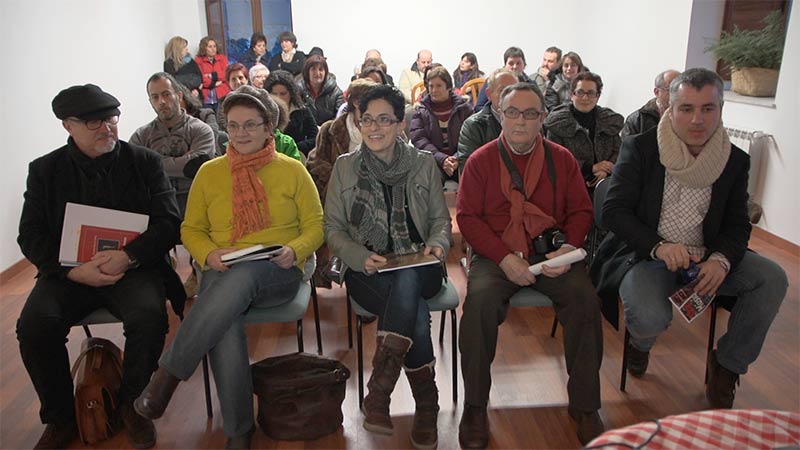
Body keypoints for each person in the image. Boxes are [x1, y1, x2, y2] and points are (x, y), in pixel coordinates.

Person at [134, 85, 324, 450]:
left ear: (270, 127)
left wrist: (294, 249)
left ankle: (167, 377)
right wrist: (208, 254)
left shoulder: (293, 170)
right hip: (222, 269)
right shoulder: (209, 172)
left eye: (250, 125)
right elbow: (190, 229)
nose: (241, 134)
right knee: (225, 318)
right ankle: (239, 430)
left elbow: (316, 225)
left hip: (278, 269)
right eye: (233, 126)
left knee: (242, 276)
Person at [590, 68, 787, 409]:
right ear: (670, 108)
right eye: (687, 109)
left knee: (772, 279)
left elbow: (738, 223)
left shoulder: (734, 160)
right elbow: (614, 212)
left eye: (708, 109)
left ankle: (727, 365)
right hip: (648, 254)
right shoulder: (641, 149)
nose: (698, 119)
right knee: (649, 318)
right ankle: (641, 343)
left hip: (706, 256)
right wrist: (659, 246)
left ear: (720, 111)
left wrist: (721, 259)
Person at [17, 84, 184, 449]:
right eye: (93, 122)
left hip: (132, 268)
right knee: (33, 326)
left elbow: (168, 222)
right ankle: (59, 417)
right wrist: (72, 271)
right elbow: (29, 235)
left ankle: (133, 406)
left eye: (111, 118)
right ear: (68, 126)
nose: (106, 127)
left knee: (149, 316)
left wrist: (128, 255)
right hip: (69, 273)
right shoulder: (45, 170)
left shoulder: (144, 162)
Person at [456, 82, 604, 448]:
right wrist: (504, 258)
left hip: (549, 254)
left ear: (543, 118)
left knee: (585, 301)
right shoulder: (480, 161)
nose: (520, 121)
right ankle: (475, 405)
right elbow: (469, 219)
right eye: (512, 112)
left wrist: (568, 248)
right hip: (497, 253)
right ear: (499, 115)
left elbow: (582, 210)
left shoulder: (562, 159)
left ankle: (585, 405)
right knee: (478, 305)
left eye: (530, 113)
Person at [324, 84, 451, 450]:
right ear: (357, 123)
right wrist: (356, 256)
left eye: (384, 119)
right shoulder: (345, 167)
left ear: (400, 124)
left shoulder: (424, 164)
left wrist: (437, 245)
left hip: (421, 263)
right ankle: (427, 405)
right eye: (366, 120)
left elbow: (441, 222)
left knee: (409, 278)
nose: (374, 127)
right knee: (412, 309)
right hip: (368, 268)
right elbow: (332, 228)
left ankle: (379, 392)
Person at [306, 78, 377, 288]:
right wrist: (345, 178)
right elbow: (317, 162)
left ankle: (359, 276)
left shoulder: (381, 126)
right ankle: (339, 262)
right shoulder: (330, 129)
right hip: (337, 190)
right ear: (356, 102)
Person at [129, 72, 216, 216]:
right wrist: (183, 160)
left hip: (194, 202)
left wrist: (151, 164)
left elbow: (196, 166)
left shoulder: (201, 130)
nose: (161, 101)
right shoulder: (141, 135)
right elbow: (134, 171)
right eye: (155, 97)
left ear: (179, 96)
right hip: (155, 206)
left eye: (166, 94)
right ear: (150, 101)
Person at [544, 72, 623, 188]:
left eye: (591, 93)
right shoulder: (557, 123)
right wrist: (590, 168)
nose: (585, 98)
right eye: (580, 92)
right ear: (572, 95)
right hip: (569, 186)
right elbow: (554, 159)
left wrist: (606, 169)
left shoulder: (609, 121)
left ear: (597, 96)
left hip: (606, 184)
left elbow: (618, 151)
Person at [410, 65, 473, 183]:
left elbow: (471, 138)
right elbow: (419, 139)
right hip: (432, 161)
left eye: (438, 86)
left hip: (461, 159)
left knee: (472, 178)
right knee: (428, 180)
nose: (434, 90)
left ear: (449, 87)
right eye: (431, 86)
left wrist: (456, 158)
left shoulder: (464, 108)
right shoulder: (420, 109)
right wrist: (442, 159)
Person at [456, 69, 522, 172]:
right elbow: (468, 169)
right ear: (489, 94)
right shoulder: (474, 125)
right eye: (502, 91)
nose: (510, 96)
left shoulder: (529, 122)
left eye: (514, 90)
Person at [265, 70, 318, 155]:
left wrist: (294, 147)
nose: (278, 98)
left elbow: (315, 138)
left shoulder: (302, 111)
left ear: (291, 93)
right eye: (274, 94)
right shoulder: (263, 114)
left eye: (283, 94)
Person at [621, 69, 680, 139]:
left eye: (679, 90)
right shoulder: (637, 119)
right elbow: (626, 148)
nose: (677, 95)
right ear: (657, 92)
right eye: (671, 90)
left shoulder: (688, 117)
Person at [473, 47, 532, 112]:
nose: (515, 67)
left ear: (524, 65)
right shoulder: (493, 80)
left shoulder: (531, 84)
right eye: (511, 63)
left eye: (518, 63)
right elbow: (479, 107)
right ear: (505, 65)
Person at [299, 55, 344, 126]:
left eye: (321, 69)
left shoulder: (336, 92)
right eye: (313, 69)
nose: (317, 73)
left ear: (326, 72)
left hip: (328, 132)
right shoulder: (298, 90)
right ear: (307, 72)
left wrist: (324, 129)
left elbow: (340, 117)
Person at [195, 36, 230, 112]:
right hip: (206, 97)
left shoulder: (222, 58)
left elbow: (225, 74)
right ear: (204, 48)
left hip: (221, 95)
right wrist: (214, 84)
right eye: (210, 47)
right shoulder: (198, 60)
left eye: (214, 46)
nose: (213, 49)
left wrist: (211, 75)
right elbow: (201, 78)